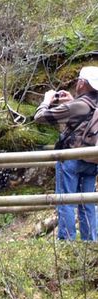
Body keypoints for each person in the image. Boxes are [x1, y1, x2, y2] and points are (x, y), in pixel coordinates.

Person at [34, 66, 98, 241]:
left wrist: (46, 100)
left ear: (82, 83)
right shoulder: (91, 103)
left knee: (65, 202)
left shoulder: (78, 106)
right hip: (92, 160)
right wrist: (71, 101)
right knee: (88, 203)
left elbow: (40, 117)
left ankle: (67, 243)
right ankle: (90, 244)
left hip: (71, 159)